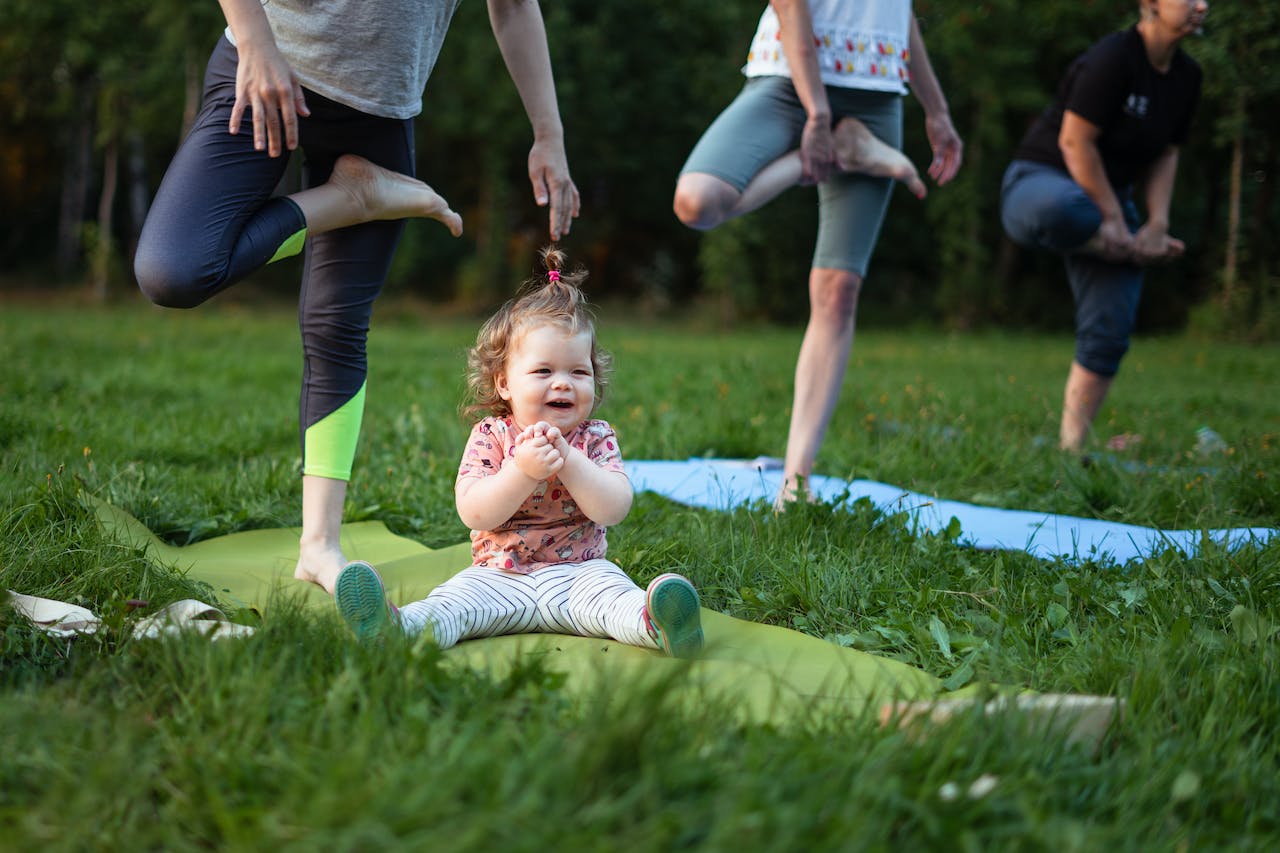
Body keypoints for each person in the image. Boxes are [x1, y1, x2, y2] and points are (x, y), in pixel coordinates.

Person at [133, 0, 580, 593]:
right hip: (266, 71)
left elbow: (514, 7)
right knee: (174, 270)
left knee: (335, 327)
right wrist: (255, 41)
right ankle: (354, 199)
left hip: (379, 118)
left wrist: (548, 134)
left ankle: (319, 545)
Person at [333, 248, 705, 659]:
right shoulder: (491, 435)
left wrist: (570, 462)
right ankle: (399, 629)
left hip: (580, 574)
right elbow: (474, 513)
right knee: (453, 605)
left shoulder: (595, 437)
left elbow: (613, 509)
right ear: (505, 383)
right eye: (544, 372)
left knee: (615, 601)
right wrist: (522, 472)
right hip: (497, 577)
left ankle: (659, 624)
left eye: (579, 372)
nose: (563, 384)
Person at [672, 0, 963, 506]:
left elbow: (902, 15)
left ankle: (796, 481)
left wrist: (936, 110)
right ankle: (847, 153)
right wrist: (819, 114)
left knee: (838, 291)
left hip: (875, 93)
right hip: (787, 79)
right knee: (698, 200)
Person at [1000, 0, 1206, 451]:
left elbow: (1167, 154)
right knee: (1073, 209)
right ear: (1149, 3)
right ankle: (1110, 242)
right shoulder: (1114, 57)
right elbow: (1074, 140)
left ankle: (1071, 448)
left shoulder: (1188, 79)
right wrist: (1113, 223)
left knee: (1111, 327)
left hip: (1111, 201)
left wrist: (1156, 224)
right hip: (1041, 184)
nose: (1201, 5)